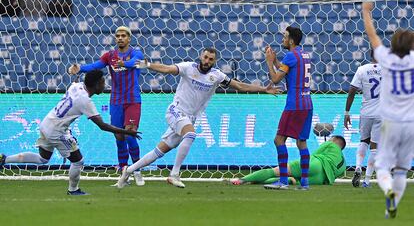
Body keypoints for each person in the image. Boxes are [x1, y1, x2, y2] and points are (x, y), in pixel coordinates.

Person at [116, 48, 280, 188]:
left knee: (160, 151)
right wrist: (148, 65)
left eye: (211, 59)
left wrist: (264, 89)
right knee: (191, 134)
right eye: (205, 57)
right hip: (176, 111)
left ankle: (128, 171)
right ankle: (174, 174)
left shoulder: (217, 76)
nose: (207, 60)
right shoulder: (188, 67)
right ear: (201, 56)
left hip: (190, 117)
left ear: (214, 62)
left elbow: (240, 85)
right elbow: (167, 69)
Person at [0, 70, 140, 196]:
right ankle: (73, 190)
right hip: (57, 132)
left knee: (43, 159)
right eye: (103, 82)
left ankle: (4, 159)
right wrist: (126, 132)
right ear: (96, 84)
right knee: (78, 161)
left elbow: (77, 82)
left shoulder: (76, 86)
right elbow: (102, 126)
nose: (105, 85)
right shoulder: (85, 100)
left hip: (46, 123)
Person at [68, 26, 145, 186]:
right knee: (118, 136)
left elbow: (134, 63)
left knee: (130, 134)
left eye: (123, 36)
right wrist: (79, 68)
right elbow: (95, 66)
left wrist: (125, 63)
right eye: (117, 36)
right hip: (116, 100)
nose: (120, 38)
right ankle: (124, 173)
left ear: (129, 38)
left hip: (132, 100)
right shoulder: (109, 56)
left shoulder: (136, 53)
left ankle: (137, 170)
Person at [361, 1, 414, 219]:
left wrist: (366, 11)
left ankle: (388, 191)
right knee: (401, 168)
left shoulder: (385, 58)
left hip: (390, 122)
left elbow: (372, 35)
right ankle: (390, 207)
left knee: (382, 167)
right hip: (411, 123)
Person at [264, 25, 313, 190]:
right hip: (307, 104)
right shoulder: (303, 55)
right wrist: (278, 61)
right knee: (302, 142)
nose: (282, 39)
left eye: (284, 37)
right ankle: (305, 183)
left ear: (291, 40)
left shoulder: (291, 56)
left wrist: (270, 63)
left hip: (294, 105)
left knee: (279, 139)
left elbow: (276, 79)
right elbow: (288, 69)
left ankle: (283, 181)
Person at [230, 136, 346, 186]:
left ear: (334, 140)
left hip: (316, 164)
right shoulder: (344, 164)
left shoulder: (330, 144)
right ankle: (289, 180)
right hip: (321, 179)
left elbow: (315, 154)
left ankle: (242, 180)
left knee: (276, 171)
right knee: (293, 181)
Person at [344, 49, 381, 188]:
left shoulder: (362, 69)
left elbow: (352, 90)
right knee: (375, 147)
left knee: (363, 141)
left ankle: (358, 166)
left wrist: (347, 112)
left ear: (370, 55)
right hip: (381, 114)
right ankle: (366, 181)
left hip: (366, 112)